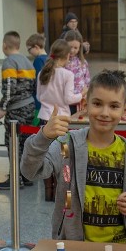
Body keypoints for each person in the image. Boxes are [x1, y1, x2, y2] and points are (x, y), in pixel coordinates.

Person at [21, 69, 126, 243]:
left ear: (125, 110)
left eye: (113, 106)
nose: (105, 112)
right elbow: (31, 171)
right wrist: (43, 137)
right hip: (74, 246)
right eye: (97, 103)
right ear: (84, 105)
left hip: (120, 247)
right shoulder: (67, 145)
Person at [35, 39, 83, 202]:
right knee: (64, 156)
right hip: (61, 121)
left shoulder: (42, 72)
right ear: (66, 56)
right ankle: (63, 190)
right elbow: (69, 98)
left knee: (46, 155)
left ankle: (48, 191)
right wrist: (82, 94)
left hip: (44, 119)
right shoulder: (67, 74)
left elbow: (39, 96)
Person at [0, 31, 37, 190]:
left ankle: (15, 179)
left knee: (12, 143)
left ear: (4, 45)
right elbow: (33, 87)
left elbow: (9, 88)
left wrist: (2, 107)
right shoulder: (27, 61)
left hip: (16, 110)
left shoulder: (9, 62)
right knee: (24, 144)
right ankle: (25, 176)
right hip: (29, 106)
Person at [61, 29, 89, 115]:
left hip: (80, 103)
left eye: (76, 48)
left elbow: (87, 81)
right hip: (65, 103)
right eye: (70, 47)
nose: (72, 50)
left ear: (80, 47)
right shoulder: (61, 62)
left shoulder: (83, 62)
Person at [27, 33, 48, 118]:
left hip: (39, 102)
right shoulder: (49, 58)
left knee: (36, 126)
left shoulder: (38, 60)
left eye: (29, 49)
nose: (29, 52)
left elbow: (37, 82)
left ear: (36, 47)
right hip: (47, 99)